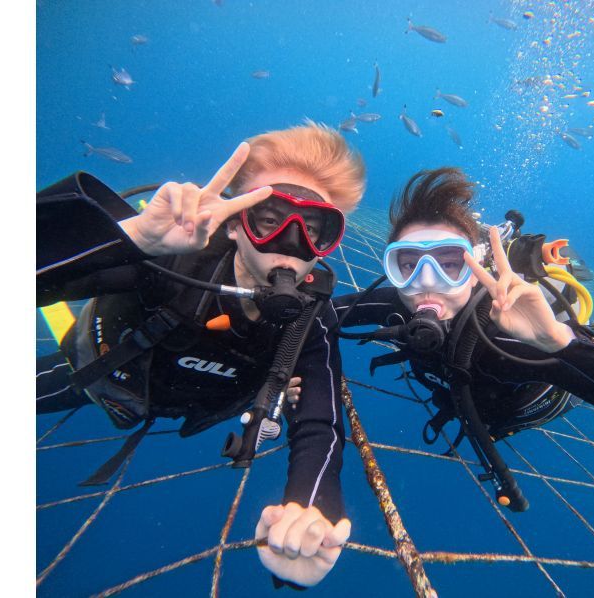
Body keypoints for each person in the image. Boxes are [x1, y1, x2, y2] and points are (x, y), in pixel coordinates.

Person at [36, 122, 365, 588]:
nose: (290, 246)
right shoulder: (172, 262)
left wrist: (307, 519)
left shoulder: (311, 318)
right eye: (268, 219)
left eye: (312, 229)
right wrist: (131, 239)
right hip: (95, 375)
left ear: (328, 244)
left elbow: (320, 424)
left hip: (196, 405)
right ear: (234, 222)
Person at [332, 167, 594, 510]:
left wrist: (556, 342)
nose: (426, 282)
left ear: (477, 270)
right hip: (468, 396)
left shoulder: (508, 331)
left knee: (587, 379)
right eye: (408, 265)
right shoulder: (394, 304)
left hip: (541, 401)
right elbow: (317, 313)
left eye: (450, 264)